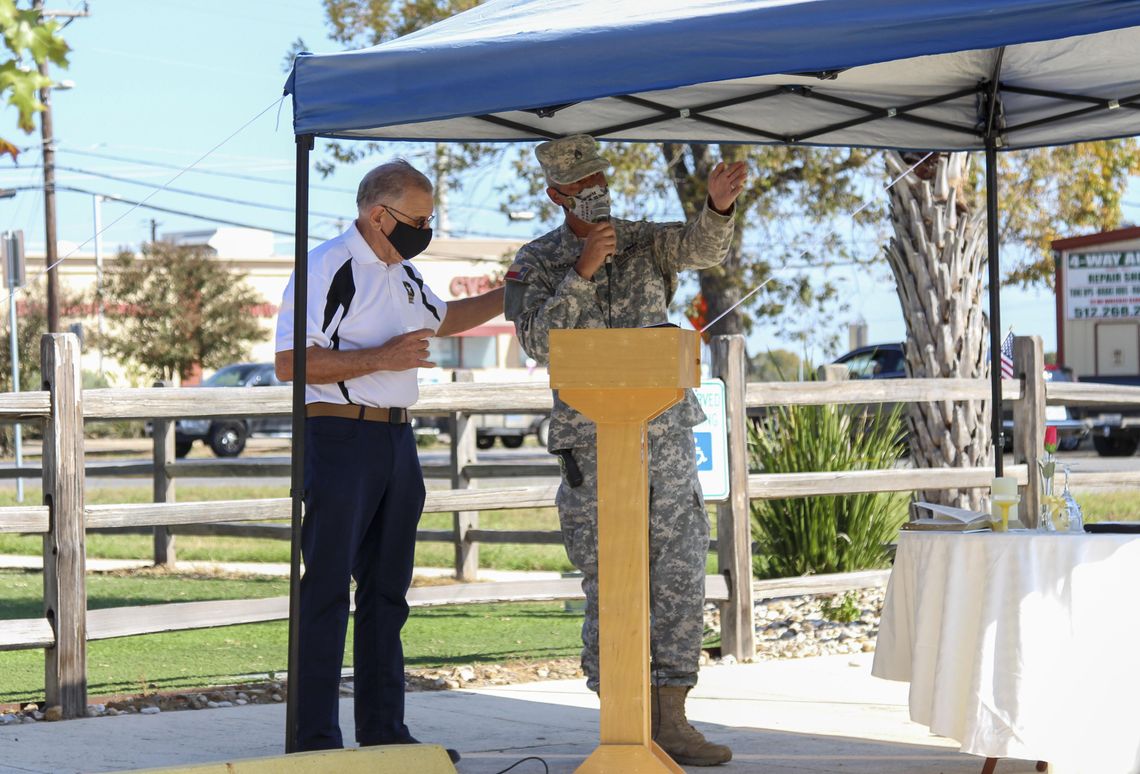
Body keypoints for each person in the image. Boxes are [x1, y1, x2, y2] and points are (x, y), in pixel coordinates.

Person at [503, 135, 746, 767]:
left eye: (601, 180)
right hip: (592, 447)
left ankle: (673, 720)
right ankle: (622, 719)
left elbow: (701, 249)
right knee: (610, 580)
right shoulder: (537, 260)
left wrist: (718, 207)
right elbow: (538, 343)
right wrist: (581, 273)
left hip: (663, 440)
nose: (597, 193)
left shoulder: (642, 239)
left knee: (679, 578)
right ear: (556, 195)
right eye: (582, 186)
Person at [275, 159, 504, 757]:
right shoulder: (327, 266)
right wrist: (382, 357)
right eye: (418, 220)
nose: (425, 231)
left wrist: (513, 292)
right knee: (327, 590)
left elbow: (446, 318)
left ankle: (384, 734)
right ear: (379, 214)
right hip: (339, 437)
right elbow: (290, 363)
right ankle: (316, 741)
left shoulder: (403, 273)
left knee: (387, 594)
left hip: (397, 443)